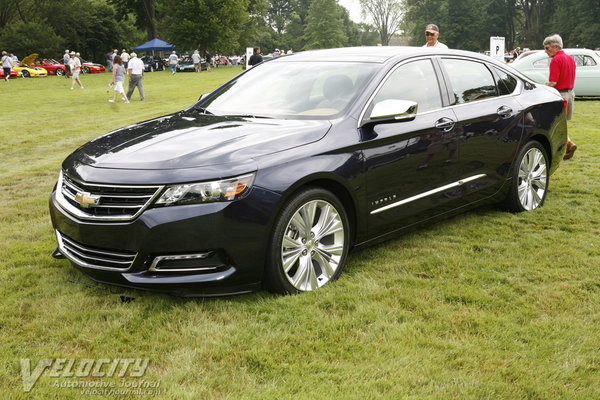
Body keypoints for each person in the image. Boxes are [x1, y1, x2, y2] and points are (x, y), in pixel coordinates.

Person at [544, 34, 577, 159]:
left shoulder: (556, 60)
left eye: (547, 48)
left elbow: (553, 82)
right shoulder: (570, 59)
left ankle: (567, 144)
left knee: (554, 123)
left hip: (560, 95)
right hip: (570, 93)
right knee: (561, 123)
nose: (545, 51)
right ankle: (568, 144)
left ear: (556, 47)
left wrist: (543, 87)